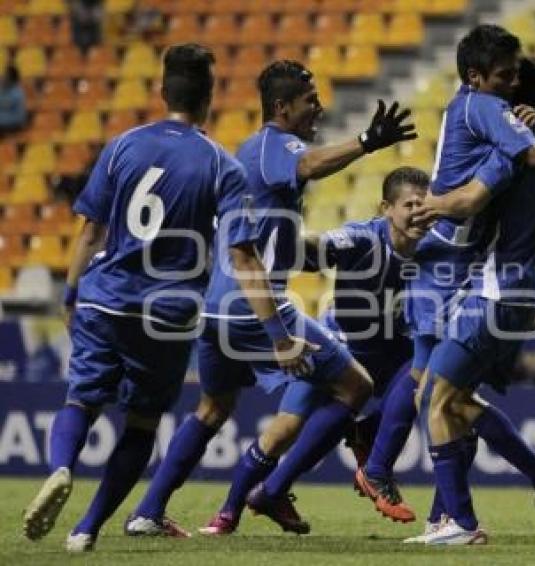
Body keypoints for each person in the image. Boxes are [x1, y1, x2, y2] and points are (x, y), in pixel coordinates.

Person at [22, 43, 312, 552]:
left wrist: (70, 295)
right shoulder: (222, 166)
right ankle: (86, 528)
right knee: (142, 422)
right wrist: (279, 339)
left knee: (82, 399)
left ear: (162, 91)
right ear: (210, 96)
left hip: (104, 296)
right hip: (167, 315)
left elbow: (91, 231)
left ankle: (62, 467)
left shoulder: (122, 145)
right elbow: (244, 260)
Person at [124, 60, 416, 538]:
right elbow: (308, 164)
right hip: (255, 305)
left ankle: (149, 511)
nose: (319, 107)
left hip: (217, 307)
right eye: (310, 101)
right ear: (281, 107)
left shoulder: (256, 154)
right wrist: (366, 143)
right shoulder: (272, 146)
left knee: (213, 409)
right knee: (357, 387)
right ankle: (349, 466)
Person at [409, 51, 535, 546]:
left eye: (508, 86)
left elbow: (470, 201)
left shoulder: (512, 148)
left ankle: (459, 522)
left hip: (497, 288)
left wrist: (424, 208)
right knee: (455, 399)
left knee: (433, 399)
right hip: (525, 291)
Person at [0, 64, 27, 135]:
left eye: (5, 75)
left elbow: (4, 104)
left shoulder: (17, 92)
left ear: (11, 79)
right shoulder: (3, 89)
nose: (2, 77)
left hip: (14, 123)